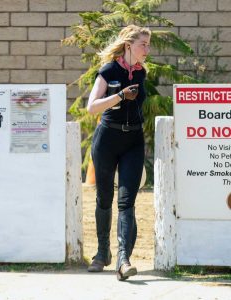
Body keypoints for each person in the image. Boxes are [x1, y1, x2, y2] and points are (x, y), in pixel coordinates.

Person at [87, 24, 151, 281]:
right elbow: (92, 107)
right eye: (143, 44)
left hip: (133, 140)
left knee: (127, 201)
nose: (147, 49)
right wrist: (120, 96)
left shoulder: (142, 73)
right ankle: (102, 254)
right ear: (128, 45)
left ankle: (124, 260)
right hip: (107, 139)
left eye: (148, 44)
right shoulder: (108, 71)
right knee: (104, 198)